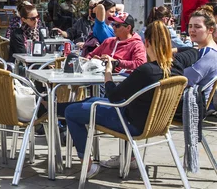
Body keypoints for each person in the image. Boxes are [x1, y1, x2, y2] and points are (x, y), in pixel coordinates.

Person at [64, 21, 183, 178]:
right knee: (91, 101)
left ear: (145, 42)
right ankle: (129, 157)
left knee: (71, 111)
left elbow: (113, 96)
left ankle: (88, 166)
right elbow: (190, 51)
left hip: (130, 124)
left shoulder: (146, 71)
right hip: (156, 123)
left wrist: (108, 73)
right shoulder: (176, 68)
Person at [184, 6, 217, 102]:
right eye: (190, 26)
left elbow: (185, 79)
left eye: (197, 27)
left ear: (210, 30)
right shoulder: (210, 50)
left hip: (193, 106)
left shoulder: (208, 53)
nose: (192, 30)